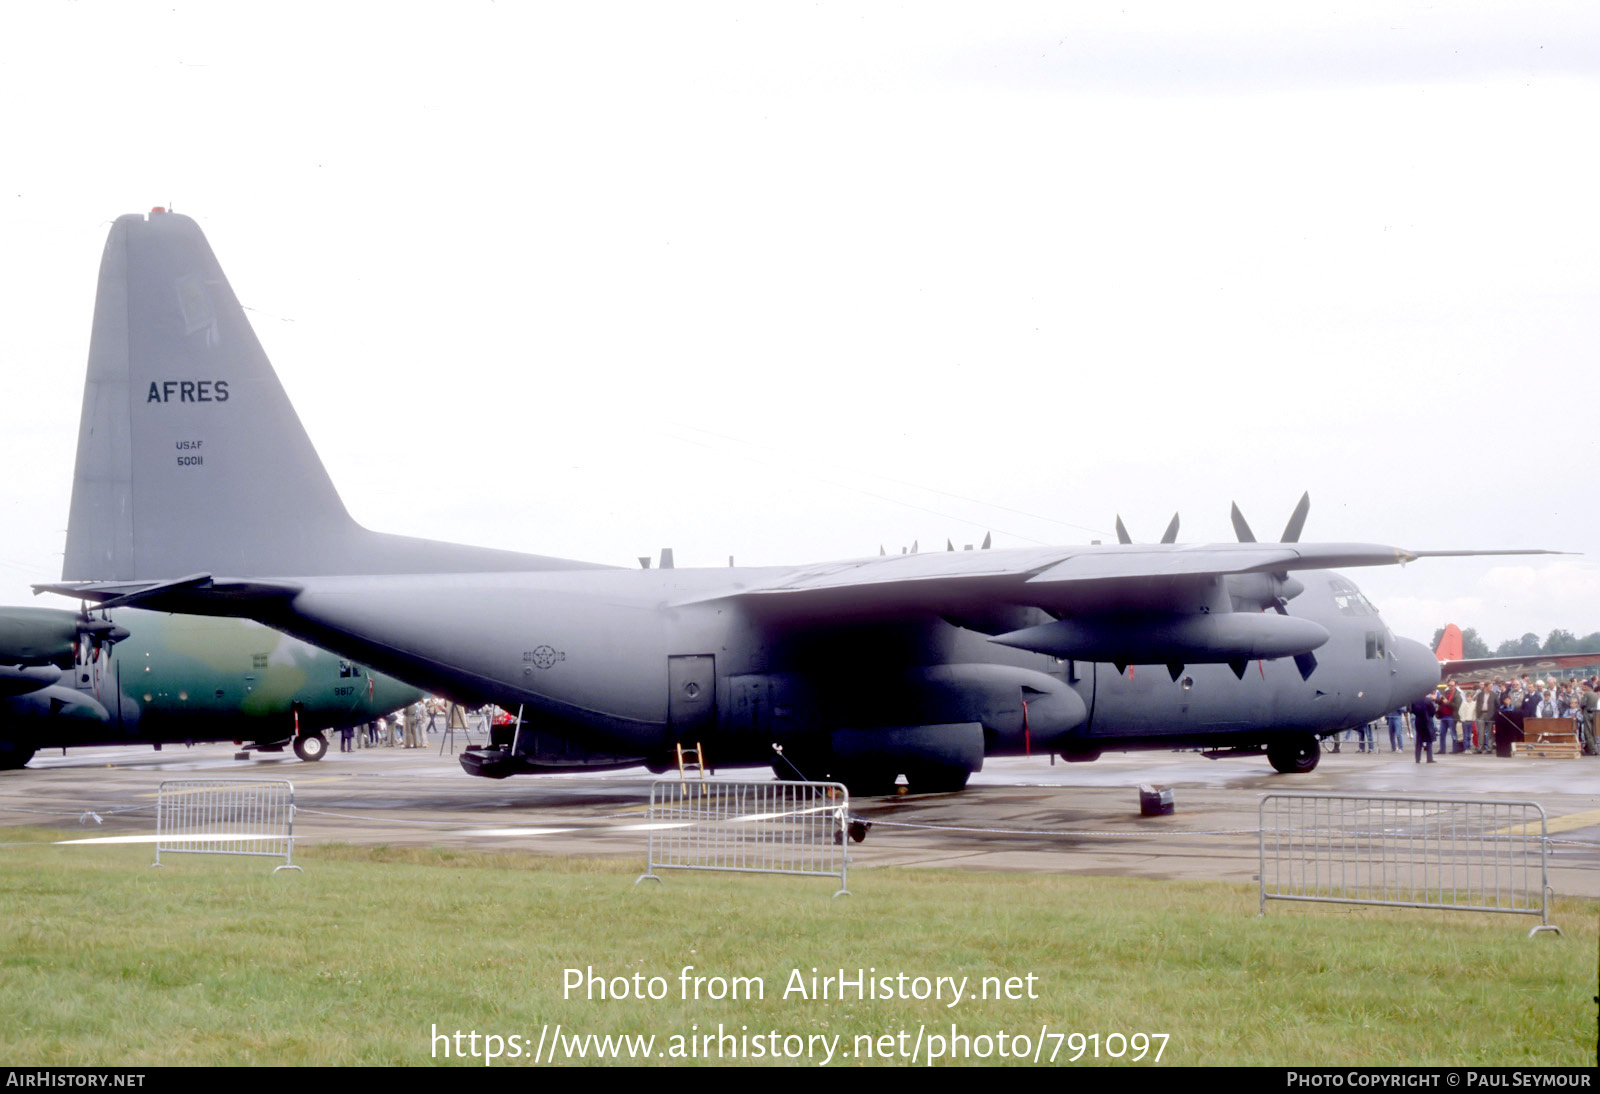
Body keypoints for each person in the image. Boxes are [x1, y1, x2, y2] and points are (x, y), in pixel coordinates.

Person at [1410, 692, 1436, 763]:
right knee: (1429, 740)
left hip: (1418, 721)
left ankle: (1417, 758)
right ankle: (1429, 758)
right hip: (1427, 721)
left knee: (1419, 740)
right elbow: (1433, 711)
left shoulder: (1414, 701)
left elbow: (1412, 710)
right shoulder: (1428, 701)